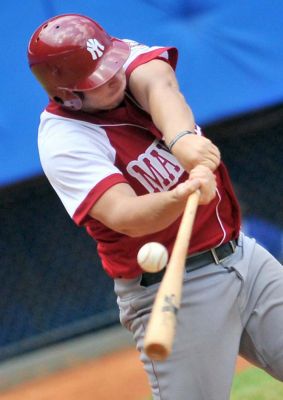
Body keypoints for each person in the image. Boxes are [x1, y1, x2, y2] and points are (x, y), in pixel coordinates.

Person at [27, 13, 283, 400]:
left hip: (244, 256)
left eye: (112, 65)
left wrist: (181, 140)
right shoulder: (64, 140)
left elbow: (160, 85)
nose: (113, 77)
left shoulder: (117, 58)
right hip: (175, 287)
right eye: (96, 81)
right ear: (67, 95)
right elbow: (124, 216)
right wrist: (180, 196)